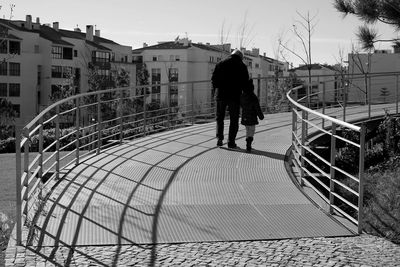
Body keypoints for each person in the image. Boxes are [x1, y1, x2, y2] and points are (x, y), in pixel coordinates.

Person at [211, 49, 249, 148]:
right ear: (241, 57)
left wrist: (216, 90)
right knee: (234, 119)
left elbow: (214, 79)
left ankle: (219, 138)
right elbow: (245, 83)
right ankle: (231, 142)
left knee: (220, 117)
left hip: (221, 95)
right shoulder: (242, 66)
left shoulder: (220, 63)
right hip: (235, 96)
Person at [240, 79, 264, 152]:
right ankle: (249, 144)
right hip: (252, 118)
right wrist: (261, 116)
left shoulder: (242, 96)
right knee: (251, 131)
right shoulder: (253, 97)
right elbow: (257, 108)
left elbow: (241, 105)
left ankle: (248, 143)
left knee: (247, 130)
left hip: (244, 117)